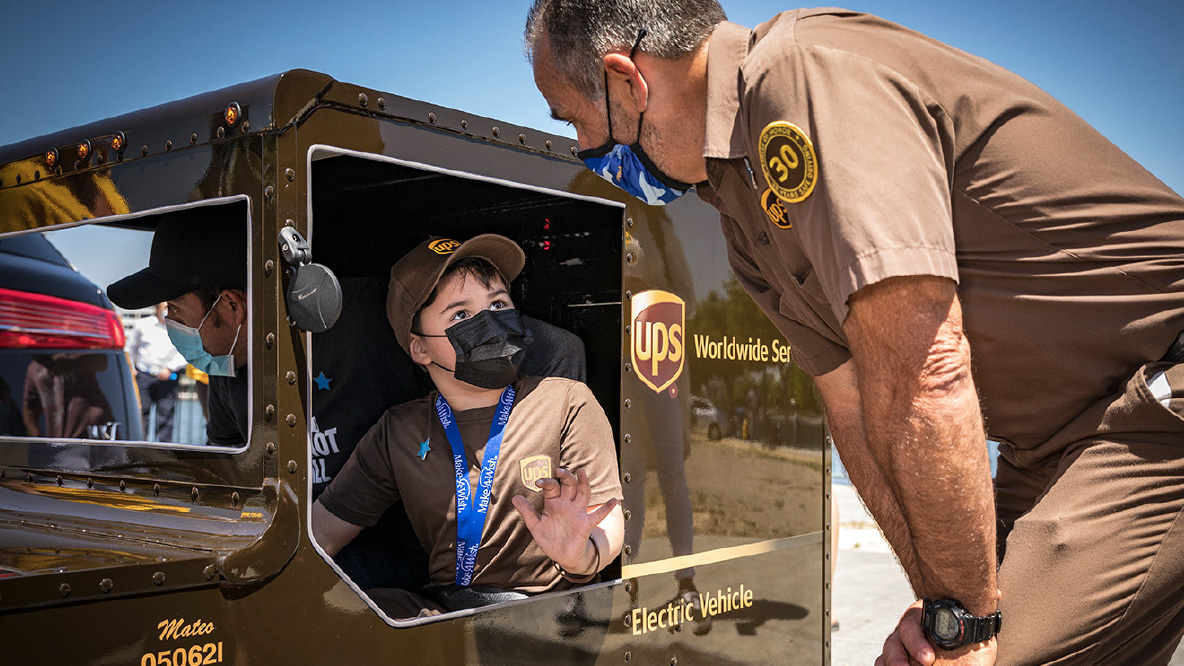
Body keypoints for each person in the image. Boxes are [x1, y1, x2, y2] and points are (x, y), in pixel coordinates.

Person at [526, 3, 1184, 665]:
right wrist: (942, 607)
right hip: (1054, 443)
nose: (585, 148)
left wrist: (968, 627)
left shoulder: (803, 78)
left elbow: (927, 370)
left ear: (626, 83)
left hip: (1156, 389)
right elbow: (854, 408)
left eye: (575, 119)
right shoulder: (736, 202)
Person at [312, 234, 624, 618]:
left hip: (540, 619)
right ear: (419, 348)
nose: (489, 323)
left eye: (498, 304)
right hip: (441, 614)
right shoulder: (399, 430)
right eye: (461, 315)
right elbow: (322, 533)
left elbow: (605, 521)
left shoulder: (566, 401)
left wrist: (581, 555)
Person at [107, 205, 249, 446]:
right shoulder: (223, 367)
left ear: (231, 306)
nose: (170, 321)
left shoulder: (321, 358)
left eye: (174, 308)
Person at [127, 303, 187, 441]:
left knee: (166, 417)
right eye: (164, 307)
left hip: (168, 377)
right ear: (156, 308)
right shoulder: (142, 324)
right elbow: (130, 348)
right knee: (142, 414)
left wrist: (170, 368)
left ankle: (164, 453)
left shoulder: (180, 328)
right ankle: (140, 449)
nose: (167, 310)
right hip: (144, 375)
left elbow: (185, 352)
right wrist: (131, 369)